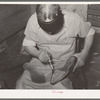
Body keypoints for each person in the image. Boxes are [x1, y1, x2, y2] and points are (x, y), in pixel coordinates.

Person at [16, 4, 95, 89]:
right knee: (22, 85)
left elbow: (90, 32)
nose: (51, 33)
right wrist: (38, 53)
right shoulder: (33, 21)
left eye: (54, 28)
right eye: (46, 30)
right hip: (41, 61)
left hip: (65, 63)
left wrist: (84, 53)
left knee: (61, 89)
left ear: (60, 16)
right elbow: (28, 44)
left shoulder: (73, 19)